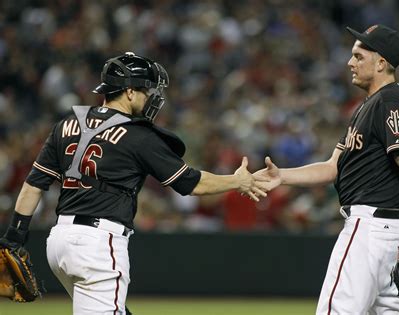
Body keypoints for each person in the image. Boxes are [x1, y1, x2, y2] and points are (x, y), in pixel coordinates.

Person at [0, 52, 267, 314]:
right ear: (129, 92)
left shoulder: (66, 125)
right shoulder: (137, 135)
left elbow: (33, 186)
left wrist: (14, 238)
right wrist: (237, 181)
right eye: (146, 91)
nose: (150, 97)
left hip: (58, 243)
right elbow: (191, 183)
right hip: (97, 244)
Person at [255, 25, 399, 314]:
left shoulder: (390, 100)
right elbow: (331, 167)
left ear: (381, 63)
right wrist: (282, 176)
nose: (350, 63)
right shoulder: (366, 108)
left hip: (369, 230)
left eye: (359, 56)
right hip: (386, 236)